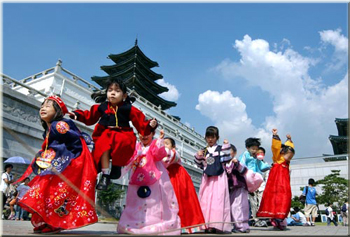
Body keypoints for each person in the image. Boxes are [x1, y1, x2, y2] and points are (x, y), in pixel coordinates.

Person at [15, 95, 98, 234]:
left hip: (68, 165)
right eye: (42, 106)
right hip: (57, 165)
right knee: (45, 191)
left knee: (55, 193)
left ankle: (53, 223)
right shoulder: (49, 129)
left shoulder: (59, 125)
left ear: (58, 111)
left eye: (48, 106)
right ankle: (47, 220)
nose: (43, 108)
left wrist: (64, 160)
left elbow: (76, 143)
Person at [69, 78, 158, 190]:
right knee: (103, 146)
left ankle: (117, 166)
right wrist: (77, 114)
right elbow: (89, 116)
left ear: (124, 95)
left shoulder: (129, 109)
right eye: (110, 90)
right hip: (105, 133)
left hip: (123, 134)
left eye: (117, 91)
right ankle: (105, 175)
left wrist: (151, 124)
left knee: (122, 142)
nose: (113, 93)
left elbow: (140, 123)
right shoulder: (101, 107)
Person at [117, 130, 180, 235]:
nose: (144, 135)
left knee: (155, 202)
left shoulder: (155, 144)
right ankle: (132, 224)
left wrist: (160, 141)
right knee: (135, 201)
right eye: (141, 133)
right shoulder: (137, 146)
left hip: (156, 178)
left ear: (152, 133)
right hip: (137, 177)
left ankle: (156, 224)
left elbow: (159, 154)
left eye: (147, 133)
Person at [162, 136, 206, 233]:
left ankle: (185, 224)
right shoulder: (166, 153)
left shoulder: (174, 153)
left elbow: (165, 160)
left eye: (166, 143)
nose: (164, 145)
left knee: (180, 200)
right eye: (163, 143)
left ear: (173, 146)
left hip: (178, 177)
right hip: (169, 176)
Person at [194, 126, 231, 234]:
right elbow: (199, 165)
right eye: (208, 137)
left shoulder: (220, 148)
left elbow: (226, 159)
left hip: (219, 177)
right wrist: (198, 156)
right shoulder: (204, 150)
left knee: (218, 200)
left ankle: (218, 224)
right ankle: (206, 224)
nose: (210, 139)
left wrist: (226, 146)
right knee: (205, 199)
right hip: (207, 178)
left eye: (213, 137)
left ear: (217, 137)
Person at [256, 128, 295, 231]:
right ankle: (275, 219)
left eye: (291, 156)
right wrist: (275, 135)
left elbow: (288, 147)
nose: (289, 157)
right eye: (288, 155)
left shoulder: (287, 162)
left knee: (285, 198)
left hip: (284, 184)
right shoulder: (278, 158)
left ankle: (281, 219)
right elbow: (276, 147)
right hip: (276, 183)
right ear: (283, 153)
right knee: (274, 199)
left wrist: (289, 140)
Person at [238, 138, 270, 226]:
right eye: (253, 149)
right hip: (247, 177)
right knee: (251, 202)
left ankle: (260, 219)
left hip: (256, 180)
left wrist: (269, 166)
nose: (254, 151)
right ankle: (254, 219)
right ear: (247, 148)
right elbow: (241, 164)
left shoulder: (257, 157)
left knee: (259, 201)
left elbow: (262, 167)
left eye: (256, 149)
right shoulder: (245, 154)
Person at [254, 147, 270, 227]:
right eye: (258, 153)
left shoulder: (266, 165)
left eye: (262, 153)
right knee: (254, 205)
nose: (260, 154)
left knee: (261, 204)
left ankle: (262, 220)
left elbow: (267, 177)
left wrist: (267, 187)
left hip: (262, 187)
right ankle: (256, 220)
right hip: (253, 188)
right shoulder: (252, 163)